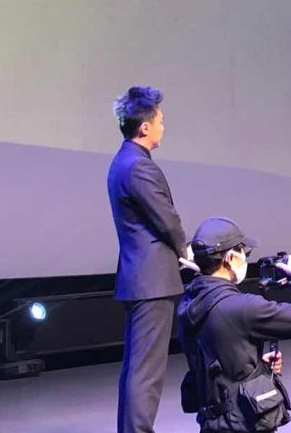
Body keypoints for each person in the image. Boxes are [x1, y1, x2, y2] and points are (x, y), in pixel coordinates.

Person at [178, 217, 291, 432]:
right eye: (243, 252)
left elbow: (218, 359)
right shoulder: (240, 306)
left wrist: (256, 366)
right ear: (230, 258)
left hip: (212, 423)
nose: (245, 258)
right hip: (242, 423)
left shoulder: (189, 302)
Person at [108, 86, 189, 433]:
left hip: (141, 279)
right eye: (160, 121)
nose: (163, 127)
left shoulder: (124, 161)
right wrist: (186, 251)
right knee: (146, 372)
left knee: (137, 369)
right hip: (152, 281)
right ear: (144, 127)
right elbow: (166, 218)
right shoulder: (138, 166)